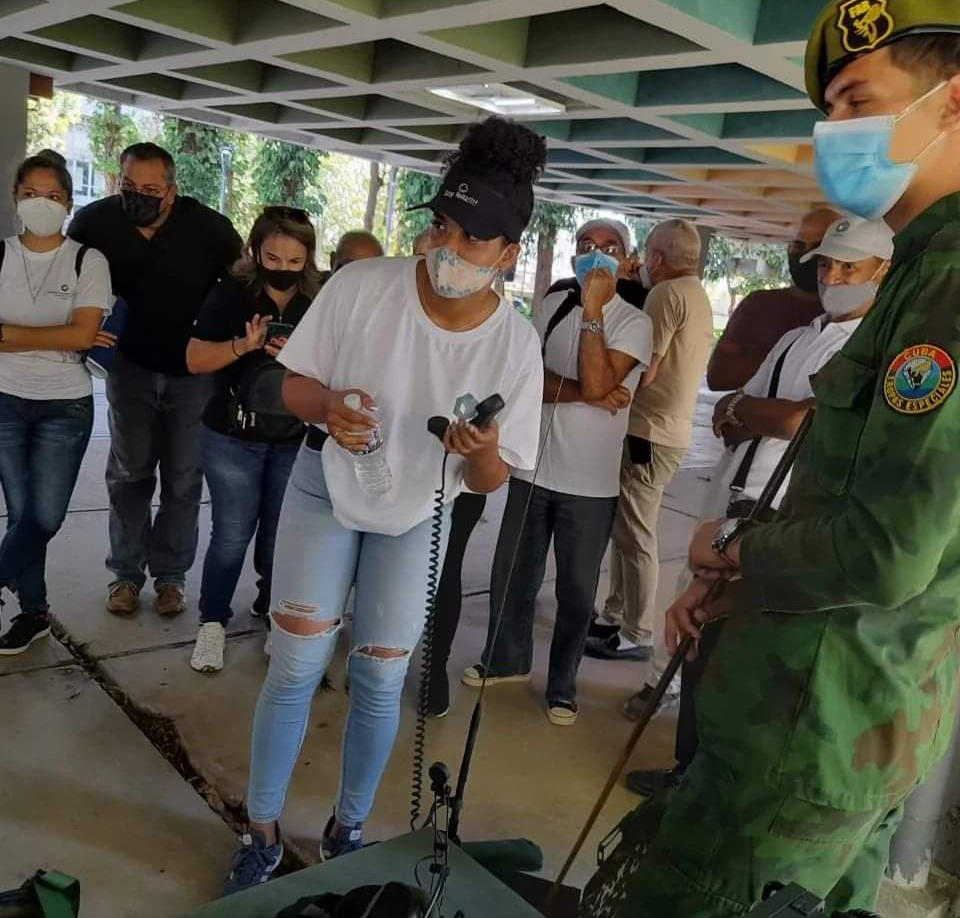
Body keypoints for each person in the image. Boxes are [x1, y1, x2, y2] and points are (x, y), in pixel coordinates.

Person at [582, 0, 960, 916]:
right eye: (829, 110)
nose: (835, 134)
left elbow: (886, 551)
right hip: (858, 716)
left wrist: (737, 549)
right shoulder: (921, 272)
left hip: (810, 727)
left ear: (952, 101)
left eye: (858, 101)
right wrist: (751, 576)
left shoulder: (947, 288)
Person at [222, 116, 544, 893]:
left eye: (473, 239)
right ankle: (261, 831)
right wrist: (326, 407)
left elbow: (494, 480)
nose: (448, 249)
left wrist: (481, 451)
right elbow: (291, 385)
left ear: (509, 254)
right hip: (325, 487)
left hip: (418, 513)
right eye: (442, 226)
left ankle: (350, 829)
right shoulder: (363, 286)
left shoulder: (515, 344)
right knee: (295, 664)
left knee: (378, 679)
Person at [623, 214, 893, 797]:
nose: (834, 277)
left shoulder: (870, 350)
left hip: (782, 513)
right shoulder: (798, 338)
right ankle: (685, 770)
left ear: (883, 271)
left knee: (739, 650)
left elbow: (803, 423)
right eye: (828, 265)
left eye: (851, 268)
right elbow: (729, 409)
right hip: (732, 495)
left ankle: (713, 782)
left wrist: (756, 413)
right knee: (698, 635)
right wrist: (754, 412)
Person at [460, 217, 652, 726]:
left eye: (609, 247)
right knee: (512, 573)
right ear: (573, 257)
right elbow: (524, 379)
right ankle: (506, 660)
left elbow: (599, 379)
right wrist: (585, 393)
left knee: (577, 591)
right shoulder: (551, 305)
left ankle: (563, 684)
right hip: (531, 466)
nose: (596, 254)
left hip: (590, 483)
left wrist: (595, 311)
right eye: (586, 245)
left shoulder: (635, 323)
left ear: (626, 262)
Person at [68, 143, 243, 618]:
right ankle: (125, 575)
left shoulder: (209, 228)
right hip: (130, 369)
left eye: (150, 189)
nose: (138, 197)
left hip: (193, 376)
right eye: (129, 186)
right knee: (129, 474)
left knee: (184, 479)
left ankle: (171, 578)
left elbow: (243, 285)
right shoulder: (95, 222)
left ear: (171, 191)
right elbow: (67, 278)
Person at [185, 208, 324, 673]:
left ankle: (270, 612)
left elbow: (339, 368)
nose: (283, 268)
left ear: (308, 259)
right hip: (232, 437)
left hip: (293, 437)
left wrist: (298, 359)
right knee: (231, 535)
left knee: (280, 536)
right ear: (255, 251)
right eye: (273, 258)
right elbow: (194, 359)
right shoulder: (231, 293)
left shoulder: (319, 299)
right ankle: (212, 622)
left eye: (294, 261)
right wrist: (242, 347)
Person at [0, 151, 112, 654]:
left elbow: (84, 334)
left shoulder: (88, 260)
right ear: (15, 197)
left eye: (52, 196)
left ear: (68, 203)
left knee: (44, 516)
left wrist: (7, 334)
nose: (41, 203)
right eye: (31, 194)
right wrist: (58, 335)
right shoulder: (1, 256)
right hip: (4, 398)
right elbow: (71, 334)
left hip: (64, 405)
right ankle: (34, 612)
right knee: (22, 514)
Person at [586, 219, 713, 664]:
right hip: (666, 431)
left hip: (649, 433)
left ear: (657, 259)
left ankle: (636, 632)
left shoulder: (665, 294)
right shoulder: (695, 293)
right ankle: (615, 613)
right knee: (627, 531)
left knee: (636, 534)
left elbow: (646, 370)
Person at [706, 207, 838, 391]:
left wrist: (759, 361)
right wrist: (799, 361)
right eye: (799, 246)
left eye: (817, 247)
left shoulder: (848, 314)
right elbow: (718, 376)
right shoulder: (758, 304)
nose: (805, 255)